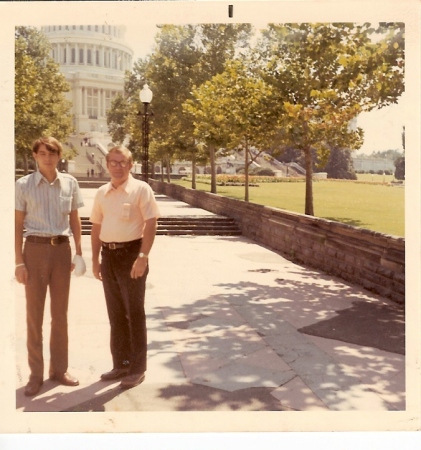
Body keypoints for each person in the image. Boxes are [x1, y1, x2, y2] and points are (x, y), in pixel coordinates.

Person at [15, 136, 84, 397]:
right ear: (35, 155)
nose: (48, 157)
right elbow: (17, 225)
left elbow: (75, 219)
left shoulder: (70, 182)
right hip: (33, 250)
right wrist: (18, 261)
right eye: (43, 153)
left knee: (60, 314)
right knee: (34, 316)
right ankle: (35, 375)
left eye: (52, 153)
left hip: (61, 251)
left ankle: (59, 369)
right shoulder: (23, 185)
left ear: (59, 155)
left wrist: (78, 252)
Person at [90, 146, 160, 389]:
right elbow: (96, 227)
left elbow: (151, 222)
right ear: (107, 164)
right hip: (108, 256)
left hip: (131, 254)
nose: (118, 166)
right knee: (116, 313)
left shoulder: (141, 189)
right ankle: (121, 363)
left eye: (123, 162)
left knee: (134, 313)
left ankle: (137, 368)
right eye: (113, 162)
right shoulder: (101, 193)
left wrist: (143, 256)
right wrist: (95, 259)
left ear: (131, 165)